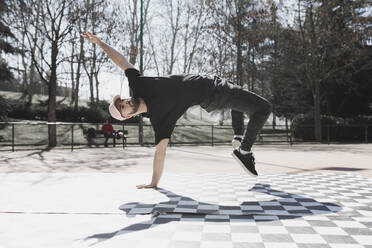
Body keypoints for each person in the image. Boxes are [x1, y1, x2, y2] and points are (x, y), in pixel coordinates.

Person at [82, 32, 272, 189]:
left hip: (215, 84)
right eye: (122, 107)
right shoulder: (159, 119)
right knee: (263, 108)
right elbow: (160, 152)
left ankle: (238, 137)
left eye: (122, 100)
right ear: (128, 115)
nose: (125, 101)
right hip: (215, 93)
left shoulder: (139, 84)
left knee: (238, 101)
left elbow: (121, 61)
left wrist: (99, 42)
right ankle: (244, 151)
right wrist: (153, 182)